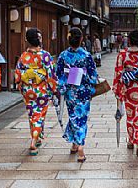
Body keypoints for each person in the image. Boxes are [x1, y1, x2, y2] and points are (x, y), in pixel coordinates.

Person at [55, 27, 98, 162]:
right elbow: (93, 75)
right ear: (81, 39)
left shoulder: (63, 56)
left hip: (70, 92)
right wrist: (90, 80)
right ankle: (80, 148)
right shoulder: (86, 56)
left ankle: (74, 144)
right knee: (81, 119)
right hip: (83, 92)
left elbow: (59, 75)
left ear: (68, 39)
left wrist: (64, 84)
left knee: (74, 116)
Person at [15, 28, 57, 156]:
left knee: (32, 113)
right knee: (39, 115)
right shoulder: (45, 55)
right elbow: (51, 74)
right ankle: (33, 142)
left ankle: (37, 136)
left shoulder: (23, 56)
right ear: (38, 40)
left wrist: (21, 85)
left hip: (28, 90)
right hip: (41, 90)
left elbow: (17, 74)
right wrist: (54, 90)